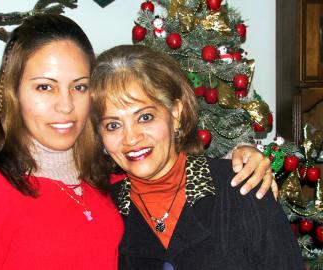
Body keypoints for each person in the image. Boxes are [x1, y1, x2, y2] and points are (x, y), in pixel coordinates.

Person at [0, 13, 274, 269]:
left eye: (79, 86)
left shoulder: (110, 182)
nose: (66, 105)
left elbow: (168, 175)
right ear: (13, 94)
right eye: (45, 87)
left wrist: (240, 157)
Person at [87, 44, 303, 269]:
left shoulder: (243, 187)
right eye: (113, 125)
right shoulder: (105, 211)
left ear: (175, 114)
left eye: (145, 117)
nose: (130, 138)